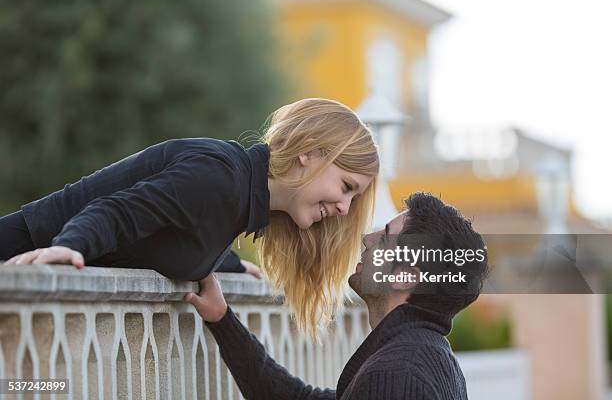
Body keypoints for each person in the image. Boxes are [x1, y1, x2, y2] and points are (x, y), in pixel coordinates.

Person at [0, 98, 379, 337]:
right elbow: (117, 211)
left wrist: (228, 264)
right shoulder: (219, 179)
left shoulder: (236, 200)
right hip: (20, 255)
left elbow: (175, 230)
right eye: (346, 186)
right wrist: (68, 247)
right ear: (309, 152)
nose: (344, 209)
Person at [186, 192, 490, 400]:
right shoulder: (425, 357)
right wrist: (222, 319)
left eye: (383, 238)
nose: (368, 239)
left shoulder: (397, 374)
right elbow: (295, 398)